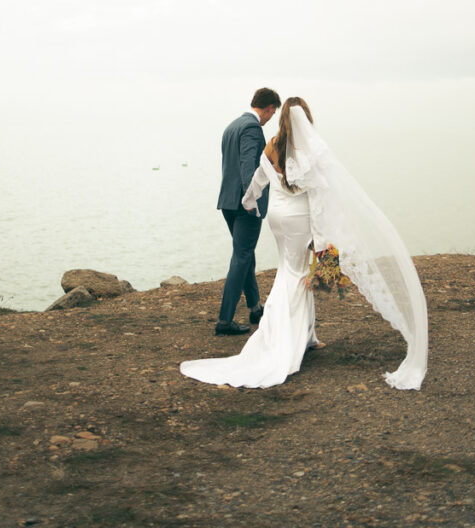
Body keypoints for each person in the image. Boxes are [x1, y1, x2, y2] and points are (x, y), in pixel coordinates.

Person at [181, 97, 428, 390]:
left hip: (276, 216)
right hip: (299, 219)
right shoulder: (309, 152)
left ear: (282, 116)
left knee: (289, 270)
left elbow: (259, 177)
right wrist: (323, 241)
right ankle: (286, 341)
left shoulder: (272, 144)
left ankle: (307, 336)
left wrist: (249, 201)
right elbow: (319, 199)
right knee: (298, 276)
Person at [214, 87, 281, 336]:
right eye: (272, 114)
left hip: (227, 202)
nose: (270, 118)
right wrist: (250, 199)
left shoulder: (231, 126)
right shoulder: (253, 129)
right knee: (241, 257)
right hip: (245, 204)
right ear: (269, 108)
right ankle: (224, 320)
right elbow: (247, 164)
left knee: (245, 254)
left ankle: (255, 307)